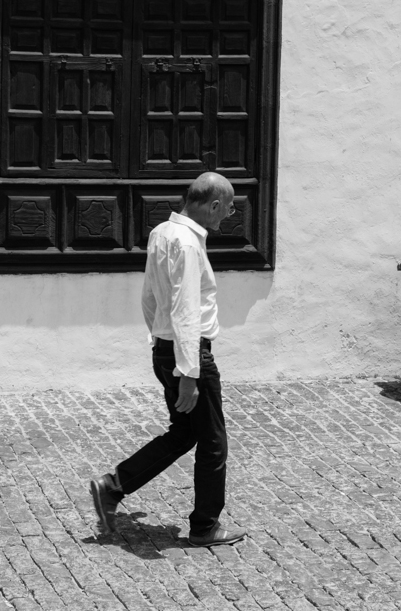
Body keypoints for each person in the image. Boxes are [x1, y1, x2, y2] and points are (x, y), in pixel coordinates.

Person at [89, 172, 247, 547]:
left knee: (184, 433)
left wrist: (159, 344)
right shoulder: (189, 245)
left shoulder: (162, 232)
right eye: (226, 208)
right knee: (212, 443)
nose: (227, 216)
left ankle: (113, 487)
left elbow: (149, 297)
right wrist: (189, 372)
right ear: (211, 205)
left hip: (166, 348)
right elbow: (186, 309)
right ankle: (205, 526)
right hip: (188, 354)